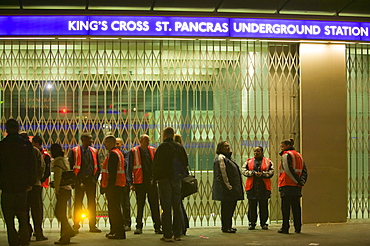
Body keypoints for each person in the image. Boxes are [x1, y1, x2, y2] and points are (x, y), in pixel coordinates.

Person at [0, 119, 38, 246]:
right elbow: (32, 165)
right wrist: (30, 183)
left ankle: (13, 242)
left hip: (7, 189)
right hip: (22, 188)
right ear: (18, 128)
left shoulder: (2, 145)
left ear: (6, 129)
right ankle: (24, 241)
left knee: (9, 221)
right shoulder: (26, 145)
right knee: (23, 217)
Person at [153, 127, 188, 242]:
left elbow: (156, 165)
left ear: (164, 135)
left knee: (166, 207)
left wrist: (155, 178)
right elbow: (185, 163)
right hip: (176, 180)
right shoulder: (179, 147)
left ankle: (167, 234)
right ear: (172, 135)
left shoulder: (162, 147)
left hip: (164, 180)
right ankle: (178, 233)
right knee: (177, 206)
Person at [128, 134, 162, 235]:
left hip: (150, 182)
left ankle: (157, 226)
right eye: (145, 141)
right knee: (140, 205)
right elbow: (130, 168)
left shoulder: (152, 150)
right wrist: (131, 183)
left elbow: (156, 165)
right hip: (140, 182)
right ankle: (139, 226)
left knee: (154, 205)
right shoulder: (134, 151)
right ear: (140, 141)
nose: (147, 143)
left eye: (148, 141)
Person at [68, 133, 101, 233]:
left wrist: (94, 179)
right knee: (78, 203)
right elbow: (70, 166)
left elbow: (98, 167)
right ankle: (76, 224)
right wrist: (74, 181)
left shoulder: (94, 151)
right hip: (80, 180)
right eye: (89, 139)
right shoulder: (75, 151)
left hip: (90, 180)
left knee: (92, 203)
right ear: (83, 139)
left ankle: (92, 225)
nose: (91, 141)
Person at [19, 132, 48, 241]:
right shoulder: (34, 151)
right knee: (36, 210)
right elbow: (41, 167)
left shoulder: (17, 152)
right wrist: (37, 180)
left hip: (21, 186)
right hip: (35, 185)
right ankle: (38, 233)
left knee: (23, 210)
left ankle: (25, 233)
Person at [212, 141, 244, 233]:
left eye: (228, 146)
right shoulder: (221, 158)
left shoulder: (228, 158)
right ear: (220, 148)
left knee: (230, 208)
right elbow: (223, 173)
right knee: (227, 208)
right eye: (225, 146)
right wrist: (229, 186)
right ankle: (226, 226)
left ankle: (228, 225)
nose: (228, 148)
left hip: (231, 188)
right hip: (227, 189)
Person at [278, 138, 308, 234]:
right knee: (296, 207)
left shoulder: (286, 155)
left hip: (287, 184)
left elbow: (288, 169)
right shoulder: (299, 155)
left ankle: (285, 228)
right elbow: (304, 170)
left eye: (282, 146)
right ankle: (297, 227)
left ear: (287, 146)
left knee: (285, 208)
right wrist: (301, 181)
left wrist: (297, 181)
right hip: (296, 186)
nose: (281, 148)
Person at [241, 146, 274, 230]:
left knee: (264, 206)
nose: (256, 153)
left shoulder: (268, 161)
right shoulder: (249, 161)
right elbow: (243, 170)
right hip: (252, 187)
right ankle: (252, 223)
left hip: (264, 187)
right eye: (255, 151)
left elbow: (271, 172)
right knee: (252, 206)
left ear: (262, 152)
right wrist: (252, 173)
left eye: (258, 151)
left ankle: (264, 223)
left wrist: (263, 174)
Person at [101, 135, 126, 239]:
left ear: (111, 143)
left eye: (106, 143)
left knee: (114, 209)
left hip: (114, 185)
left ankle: (119, 232)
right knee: (116, 208)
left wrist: (106, 186)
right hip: (119, 184)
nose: (104, 145)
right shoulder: (118, 153)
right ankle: (115, 231)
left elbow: (112, 172)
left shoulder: (113, 154)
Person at [51, 143, 75, 245]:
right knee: (63, 213)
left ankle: (69, 231)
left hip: (62, 189)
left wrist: (56, 189)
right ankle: (65, 237)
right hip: (68, 189)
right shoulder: (65, 160)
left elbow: (57, 176)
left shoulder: (57, 161)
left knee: (59, 213)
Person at [174, 134, 189, 236]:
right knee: (179, 204)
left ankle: (180, 226)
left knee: (177, 205)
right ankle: (183, 225)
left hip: (176, 180)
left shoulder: (175, 151)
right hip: (182, 180)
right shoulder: (182, 150)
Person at [116, 137, 132, 231]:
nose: (117, 145)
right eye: (115, 143)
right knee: (117, 203)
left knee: (125, 203)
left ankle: (127, 223)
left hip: (124, 181)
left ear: (122, 144)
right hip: (116, 182)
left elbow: (125, 164)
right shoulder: (111, 153)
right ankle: (119, 223)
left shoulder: (126, 153)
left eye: (118, 143)